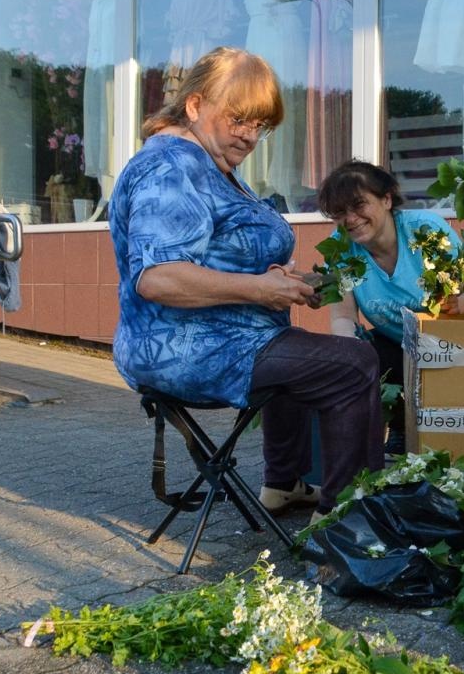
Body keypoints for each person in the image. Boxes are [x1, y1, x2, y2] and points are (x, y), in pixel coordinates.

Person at [110, 47, 383, 515]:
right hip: (183, 346)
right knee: (353, 363)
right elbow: (158, 278)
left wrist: (283, 280)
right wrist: (260, 289)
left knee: (301, 351)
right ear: (195, 106)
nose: (250, 136)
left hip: (231, 335)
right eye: (239, 119)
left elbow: (217, 253)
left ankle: (284, 482)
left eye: (260, 125)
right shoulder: (171, 168)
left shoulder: (212, 165)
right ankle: (347, 521)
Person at [316, 161, 464, 454]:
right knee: (366, 353)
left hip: (448, 340)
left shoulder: (425, 230)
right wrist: (348, 355)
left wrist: (457, 304)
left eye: (359, 205)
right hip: (399, 345)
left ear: (386, 199)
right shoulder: (340, 251)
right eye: (339, 212)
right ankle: (398, 424)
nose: (350, 219)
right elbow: (343, 317)